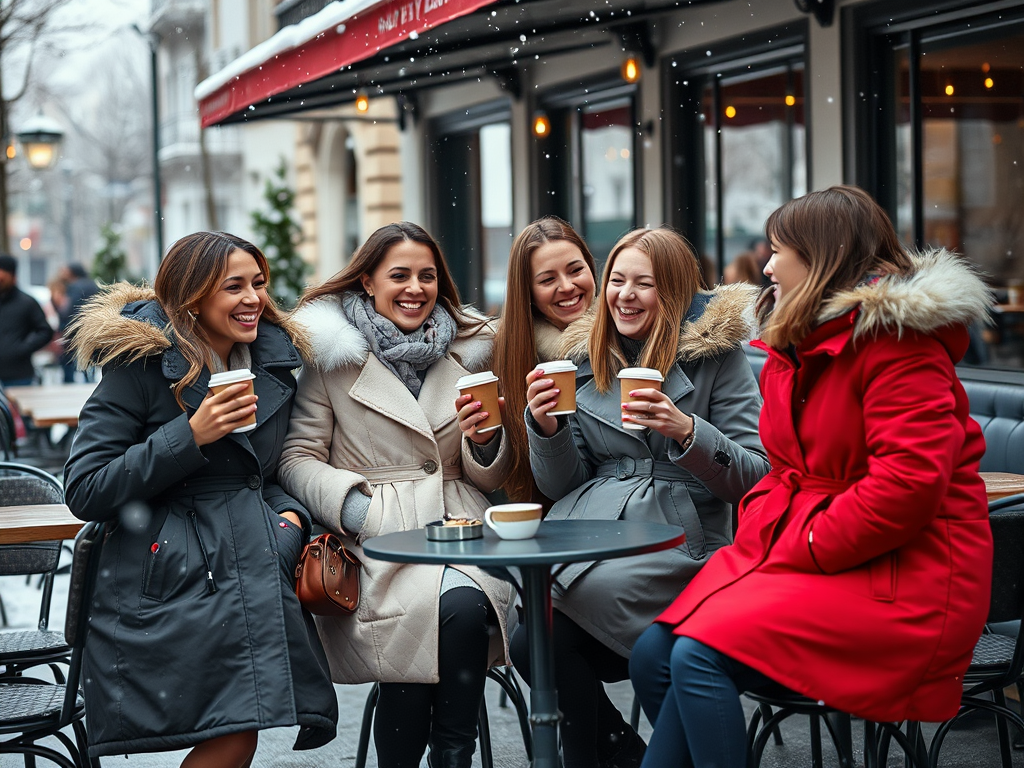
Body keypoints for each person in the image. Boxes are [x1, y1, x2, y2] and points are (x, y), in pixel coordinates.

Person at [629, 186, 994, 768]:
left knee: (697, 655)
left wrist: (806, 541)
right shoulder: (798, 345)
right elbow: (786, 471)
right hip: (820, 553)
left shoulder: (899, 347)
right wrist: (769, 532)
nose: (766, 265)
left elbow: (907, 488)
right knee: (653, 653)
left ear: (823, 256)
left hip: (906, 576)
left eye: (778, 251)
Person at [63, 231, 338, 766]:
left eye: (259, 283)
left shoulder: (273, 362)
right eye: (233, 286)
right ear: (192, 298)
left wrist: (290, 521)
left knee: (242, 728)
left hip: (252, 565)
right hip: (168, 577)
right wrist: (190, 435)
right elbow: (86, 486)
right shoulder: (139, 365)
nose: (254, 298)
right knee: (234, 731)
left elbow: (269, 472)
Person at [513, 227, 769, 768]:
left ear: (673, 292)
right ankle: (614, 747)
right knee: (531, 632)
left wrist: (687, 431)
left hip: (681, 536)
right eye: (617, 280)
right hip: (592, 523)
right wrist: (545, 429)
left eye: (644, 284)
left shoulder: (718, 359)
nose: (624, 295)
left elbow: (754, 476)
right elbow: (563, 485)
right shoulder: (582, 357)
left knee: (547, 623)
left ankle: (614, 750)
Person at [278, 222, 517, 768]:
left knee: (460, 605)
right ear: (367, 281)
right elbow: (297, 459)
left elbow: (484, 477)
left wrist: (486, 441)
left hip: (458, 530)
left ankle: (452, 753)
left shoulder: (470, 351)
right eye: (400, 275)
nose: (416, 288)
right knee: (421, 626)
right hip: (375, 543)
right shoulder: (333, 359)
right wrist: (359, 509)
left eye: (428, 276)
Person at [492, 215, 597, 503]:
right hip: (549, 520)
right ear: (528, 294)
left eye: (576, 270)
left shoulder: (627, 338)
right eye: (548, 279)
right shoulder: (509, 357)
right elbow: (505, 477)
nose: (566, 286)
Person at [0, 253, 53, 387]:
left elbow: (45, 331)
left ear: (13, 276)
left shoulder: (26, 303)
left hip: (18, 376)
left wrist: (22, 348)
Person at [58, 262, 99, 382]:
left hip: (75, 328)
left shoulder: (74, 286)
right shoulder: (93, 284)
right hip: (92, 326)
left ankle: (69, 383)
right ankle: (89, 382)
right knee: (89, 359)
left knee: (69, 361)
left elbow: (69, 308)